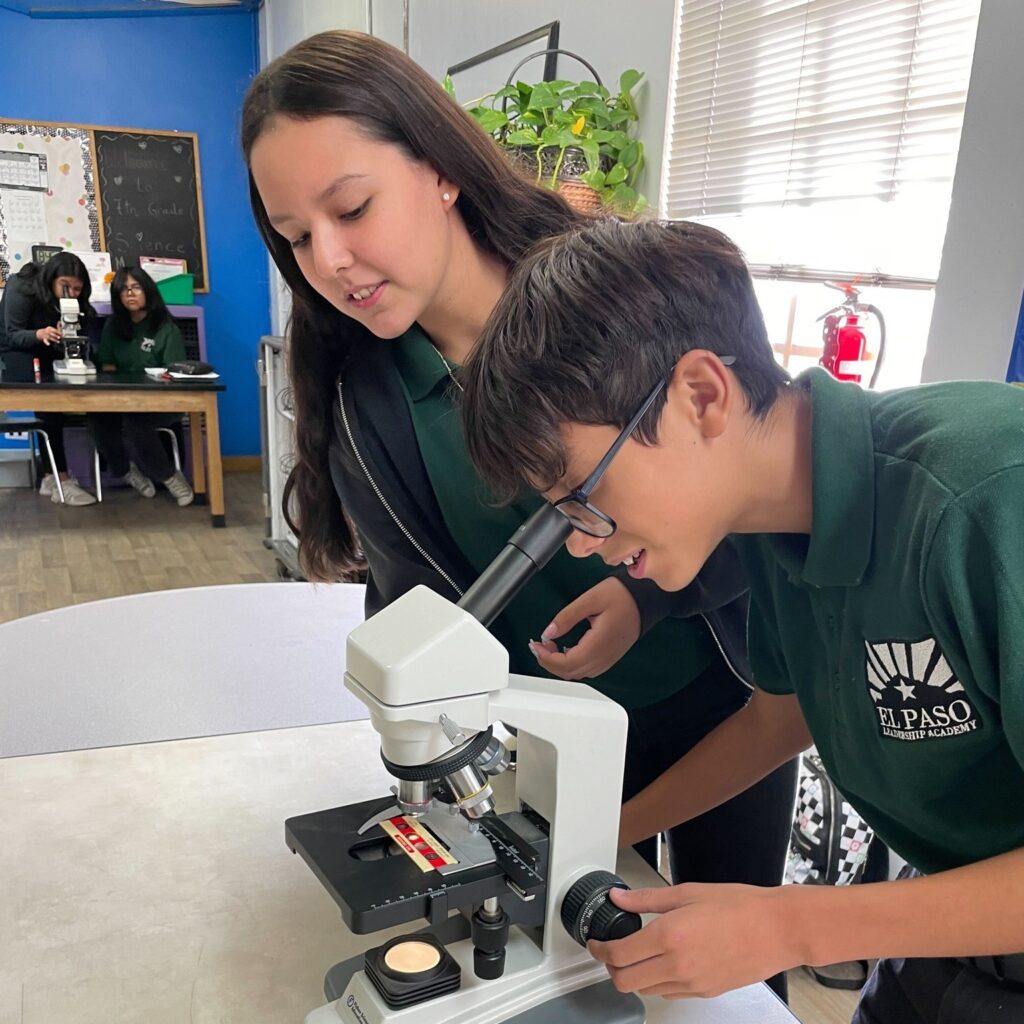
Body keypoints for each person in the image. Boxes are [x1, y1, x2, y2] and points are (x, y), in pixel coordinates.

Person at [241, 28, 798, 996]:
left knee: (729, 981)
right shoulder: (369, 391)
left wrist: (648, 602)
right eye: (295, 237)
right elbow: (412, 604)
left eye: (352, 208)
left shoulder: (616, 291)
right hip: (555, 742)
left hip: (728, 704)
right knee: (598, 974)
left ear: (443, 170)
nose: (328, 259)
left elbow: (766, 484)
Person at [459, 216, 1024, 1021]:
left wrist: (791, 926)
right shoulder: (773, 527)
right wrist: (590, 839)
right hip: (952, 927)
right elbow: (776, 721)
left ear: (701, 396)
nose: (583, 544)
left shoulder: (986, 496)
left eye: (584, 498)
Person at [87, 267, 194, 506]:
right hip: (121, 401)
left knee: (136, 423)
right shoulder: (113, 327)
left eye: (135, 287)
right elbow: (107, 365)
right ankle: (125, 471)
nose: (130, 294)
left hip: (161, 403)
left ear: (147, 291)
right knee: (97, 417)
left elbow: (174, 371)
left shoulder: (166, 328)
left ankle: (170, 477)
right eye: (124, 290)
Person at [0, 252, 98, 505]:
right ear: (51, 279)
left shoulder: (76, 299)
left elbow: (84, 321)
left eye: (78, 289)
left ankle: (50, 475)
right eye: (65, 286)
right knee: (50, 398)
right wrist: (39, 333)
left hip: (47, 348)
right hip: (15, 351)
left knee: (69, 389)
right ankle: (60, 478)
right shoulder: (22, 287)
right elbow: (12, 333)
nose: (71, 293)